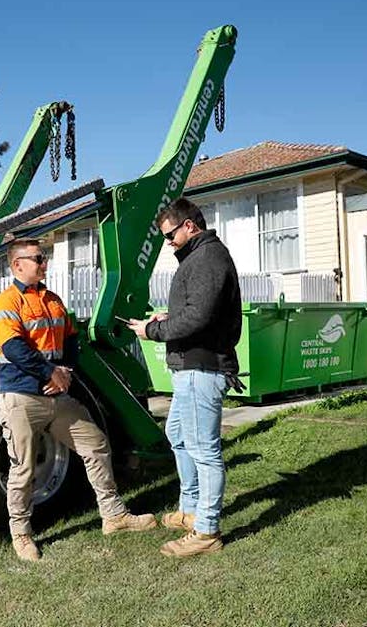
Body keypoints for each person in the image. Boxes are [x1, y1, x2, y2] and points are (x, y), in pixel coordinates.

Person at [0, 238, 157, 561]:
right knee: (23, 469)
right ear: (17, 265)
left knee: (95, 444)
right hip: (22, 397)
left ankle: (113, 516)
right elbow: (13, 348)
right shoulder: (6, 302)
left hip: (57, 395)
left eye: (45, 257)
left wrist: (63, 371)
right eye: (38, 258)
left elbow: (70, 340)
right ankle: (21, 535)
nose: (44, 263)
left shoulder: (53, 300)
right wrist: (50, 373)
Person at [126, 197, 242, 558]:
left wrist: (153, 331)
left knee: (205, 451)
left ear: (190, 226)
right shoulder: (198, 258)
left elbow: (199, 319)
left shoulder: (207, 258)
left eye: (170, 234)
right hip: (191, 367)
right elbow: (193, 311)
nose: (168, 242)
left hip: (201, 368)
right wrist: (167, 316)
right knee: (178, 435)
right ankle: (190, 508)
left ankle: (206, 530)